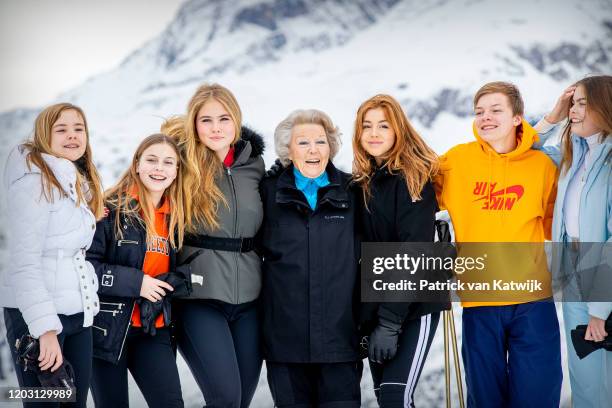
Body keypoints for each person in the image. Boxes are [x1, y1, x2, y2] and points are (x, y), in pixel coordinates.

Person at [434, 81, 562, 407]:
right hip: (480, 305)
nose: (485, 118)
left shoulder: (542, 167)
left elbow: (557, 227)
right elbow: (414, 197)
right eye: (479, 112)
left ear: (518, 117)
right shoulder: (455, 162)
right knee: (485, 400)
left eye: (495, 110)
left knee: (538, 397)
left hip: (533, 303)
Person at [1, 103, 104, 407]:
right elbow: (24, 263)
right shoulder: (34, 182)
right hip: (37, 318)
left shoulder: (73, 182)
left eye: (78, 129)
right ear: (45, 135)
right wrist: (44, 329)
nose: (72, 136)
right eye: (62, 129)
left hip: (76, 314)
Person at [259, 109, 362, 407]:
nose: (314, 150)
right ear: (287, 150)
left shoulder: (353, 191)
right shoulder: (267, 192)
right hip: (285, 345)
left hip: (340, 342)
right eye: (303, 143)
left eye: (321, 141)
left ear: (331, 147)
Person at [352, 94, 448, 407]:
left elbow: (415, 252)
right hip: (379, 306)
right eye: (367, 126)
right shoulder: (362, 184)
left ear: (398, 131)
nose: (374, 133)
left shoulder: (412, 178)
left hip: (414, 304)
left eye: (384, 125)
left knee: (395, 396)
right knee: (385, 397)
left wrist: (390, 322)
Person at [173, 83, 265, 407]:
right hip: (199, 296)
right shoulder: (179, 163)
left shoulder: (254, 165)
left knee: (241, 400)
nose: (215, 128)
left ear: (236, 121)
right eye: (206, 120)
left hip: (250, 299)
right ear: (194, 123)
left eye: (224, 119)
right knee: (225, 398)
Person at [86, 134, 190, 408]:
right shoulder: (109, 209)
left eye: (168, 162)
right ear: (137, 165)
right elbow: (86, 268)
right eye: (152, 160)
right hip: (107, 329)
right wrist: (138, 283)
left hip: (152, 330)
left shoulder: (176, 216)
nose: (160, 168)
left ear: (177, 171)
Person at [532, 75, 612, 407]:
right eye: (572, 103)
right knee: (584, 378)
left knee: (600, 377)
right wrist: (554, 116)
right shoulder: (571, 154)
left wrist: (600, 309)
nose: (574, 111)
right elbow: (525, 150)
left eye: (582, 104)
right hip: (573, 274)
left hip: (601, 283)